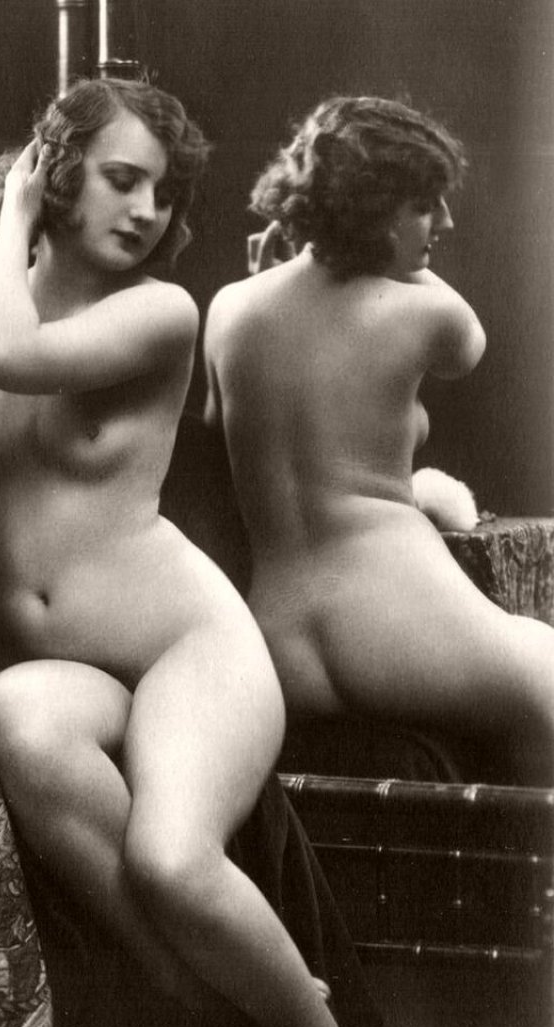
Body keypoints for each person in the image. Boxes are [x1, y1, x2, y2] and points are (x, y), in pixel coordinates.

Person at [0, 78, 465, 1027]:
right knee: (15, 719)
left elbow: (9, 360)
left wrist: (13, 222)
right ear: (59, 170)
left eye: (163, 192)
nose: (148, 210)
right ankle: (209, 993)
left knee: (170, 858)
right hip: (65, 667)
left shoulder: (160, 315)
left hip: (187, 647)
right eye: (122, 179)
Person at [204, 94, 554, 786]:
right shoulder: (426, 311)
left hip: (276, 637)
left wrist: (295, 262)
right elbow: (467, 346)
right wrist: (394, 259)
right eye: (423, 205)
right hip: (386, 616)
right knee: (547, 672)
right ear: (372, 209)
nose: (444, 221)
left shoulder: (230, 308)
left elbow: (220, 429)